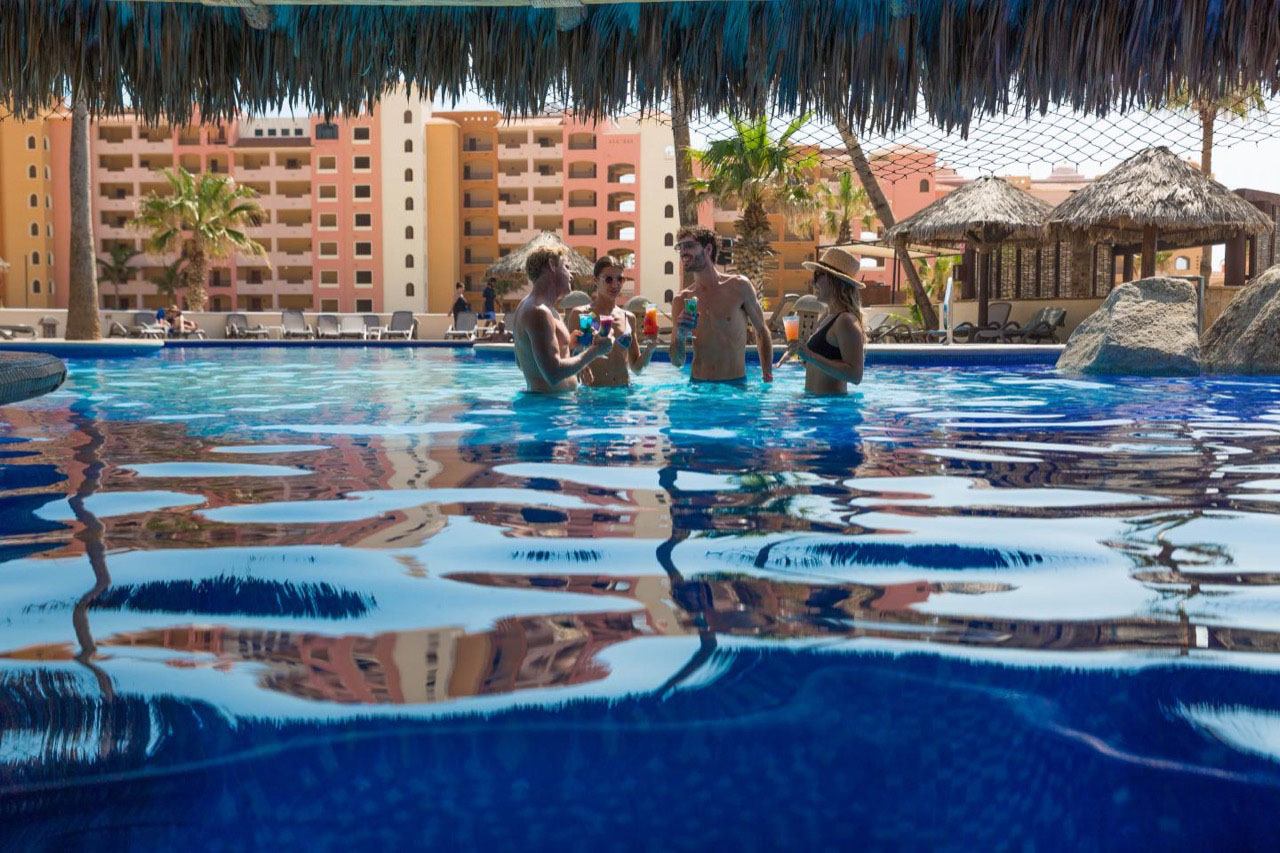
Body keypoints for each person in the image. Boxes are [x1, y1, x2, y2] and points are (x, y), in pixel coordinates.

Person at [669, 226, 772, 382]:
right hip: (699, 387)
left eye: (689, 246)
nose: (683, 251)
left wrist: (767, 376)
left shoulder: (739, 287)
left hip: (734, 385)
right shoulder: (682, 299)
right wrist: (681, 335)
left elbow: (762, 332)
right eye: (680, 247)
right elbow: (677, 362)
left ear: (708, 249)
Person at [511, 245, 613, 393]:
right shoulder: (538, 312)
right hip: (547, 405)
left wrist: (568, 345)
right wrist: (595, 351)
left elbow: (523, 361)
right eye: (566, 267)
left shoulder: (538, 308)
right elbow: (553, 374)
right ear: (552, 265)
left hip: (554, 402)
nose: (571, 275)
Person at [779, 246, 866, 394]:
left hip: (832, 406)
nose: (813, 283)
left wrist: (810, 356)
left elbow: (855, 376)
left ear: (835, 281)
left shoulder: (845, 321)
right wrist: (801, 354)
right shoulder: (827, 317)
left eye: (818, 275)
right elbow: (820, 366)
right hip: (815, 403)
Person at [567, 256, 659, 388]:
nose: (615, 285)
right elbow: (566, 357)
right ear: (595, 280)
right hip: (595, 394)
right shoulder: (582, 315)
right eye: (608, 279)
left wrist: (650, 349)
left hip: (623, 393)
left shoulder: (628, 318)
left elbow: (636, 369)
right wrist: (580, 366)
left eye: (620, 279)